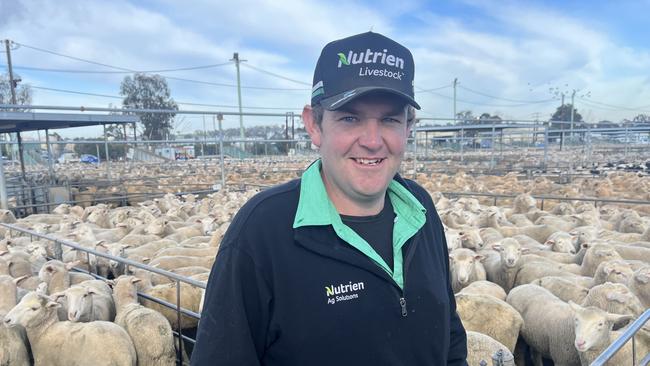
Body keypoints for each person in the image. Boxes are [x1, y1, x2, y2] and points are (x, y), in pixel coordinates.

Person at [191, 31, 468, 366]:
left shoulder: (420, 209)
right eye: (350, 117)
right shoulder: (262, 231)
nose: (372, 140)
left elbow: (450, 337)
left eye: (390, 119)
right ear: (314, 125)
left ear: (409, 127)